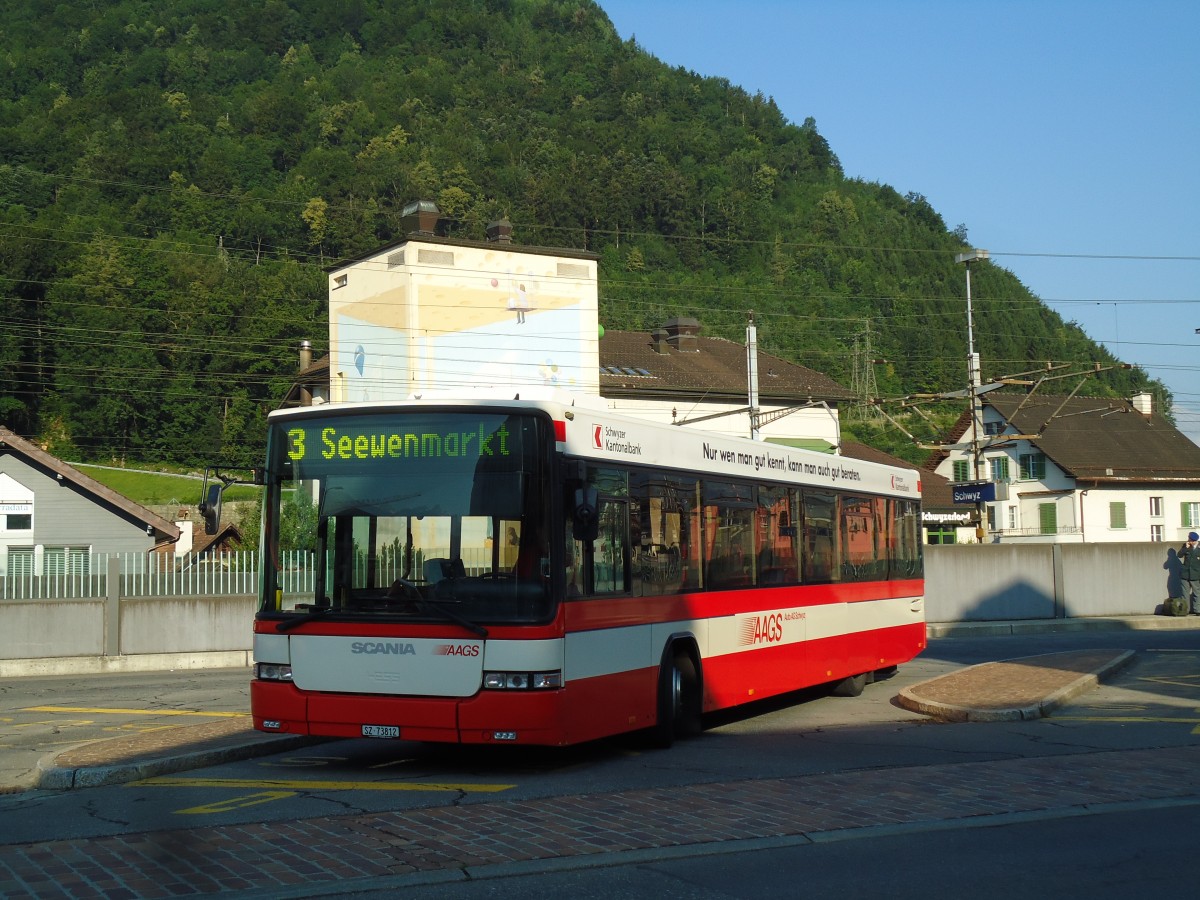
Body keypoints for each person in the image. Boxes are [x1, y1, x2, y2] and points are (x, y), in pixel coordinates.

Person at [1179, 532, 1200, 615]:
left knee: (1197, 593)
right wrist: (1185, 548)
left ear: (1194, 541)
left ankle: (1197, 610)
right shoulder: (1186, 546)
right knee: (1185, 594)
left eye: (1190, 540)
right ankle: (1185, 610)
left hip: (1196, 575)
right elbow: (1179, 555)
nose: (1188, 541)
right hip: (1185, 574)